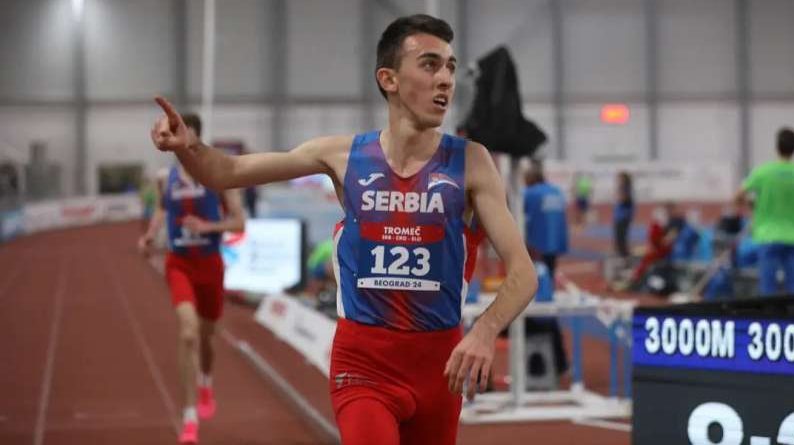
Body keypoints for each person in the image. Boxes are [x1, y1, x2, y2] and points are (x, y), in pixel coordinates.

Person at [150, 14, 537, 445]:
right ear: (389, 79)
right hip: (363, 364)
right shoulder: (343, 156)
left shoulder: (471, 162)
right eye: (430, 65)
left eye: (449, 66)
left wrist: (484, 331)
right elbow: (227, 172)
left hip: (439, 368)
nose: (445, 78)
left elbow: (523, 272)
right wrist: (188, 147)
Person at [139, 113, 245, 444]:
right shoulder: (166, 178)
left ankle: (206, 380)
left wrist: (208, 227)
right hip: (180, 263)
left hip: (210, 264)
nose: (183, 144)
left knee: (207, 338)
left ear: (197, 139)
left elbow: (239, 223)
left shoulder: (217, 176)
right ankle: (189, 416)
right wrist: (150, 234)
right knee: (188, 333)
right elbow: (162, 208)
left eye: (189, 137)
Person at [735, 127, 794, 296]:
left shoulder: (764, 172)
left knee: (768, 290)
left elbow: (738, 196)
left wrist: (753, 205)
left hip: (768, 236)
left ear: (777, 147)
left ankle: (769, 312)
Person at [523, 161, 569, 277]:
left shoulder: (530, 192)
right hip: (556, 237)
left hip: (538, 239)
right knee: (550, 267)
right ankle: (549, 284)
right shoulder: (556, 191)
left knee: (537, 270)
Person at [613, 171, 635, 258]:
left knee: (621, 237)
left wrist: (619, 196)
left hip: (623, 217)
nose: (618, 180)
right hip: (620, 216)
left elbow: (624, 199)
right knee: (619, 237)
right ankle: (621, 253)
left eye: (620, 178)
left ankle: (624, 255)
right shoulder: (624, 188)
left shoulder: (625, 188)